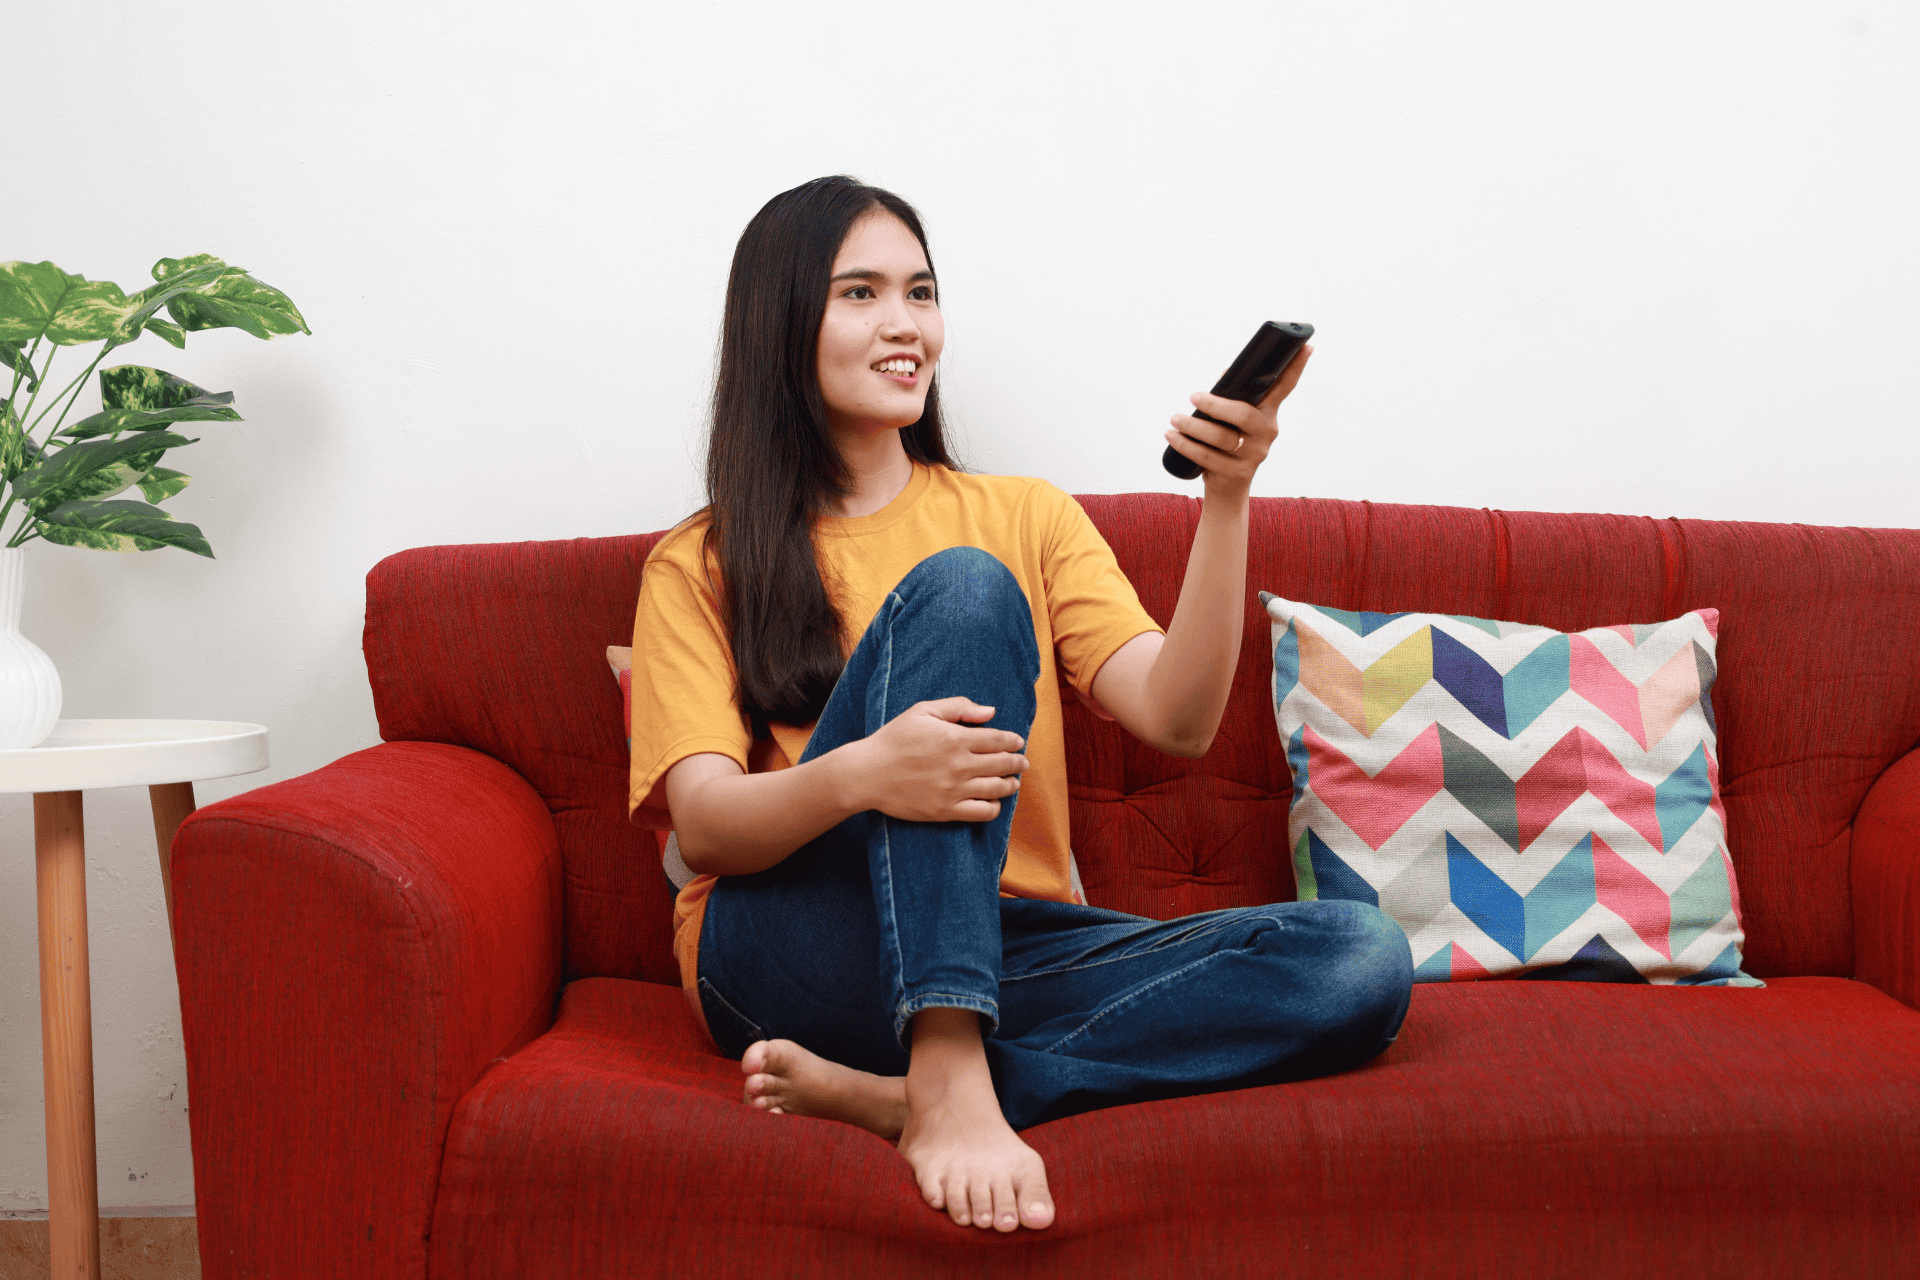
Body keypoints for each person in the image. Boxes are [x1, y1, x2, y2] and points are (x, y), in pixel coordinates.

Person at [628, 175, 1414, 1236]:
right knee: (965, 589)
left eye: (920, 291)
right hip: (792, 950)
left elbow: (1178, 720)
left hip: (1004, 946)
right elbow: (708, 825)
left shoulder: (1028, 515)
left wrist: (1225, 496)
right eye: (861, 293)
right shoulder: (702, 560)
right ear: (782, 320)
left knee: (1357, 958)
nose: (905, 324)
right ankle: (949, 1071)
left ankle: (908, 1093)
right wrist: (866, 772)